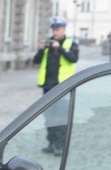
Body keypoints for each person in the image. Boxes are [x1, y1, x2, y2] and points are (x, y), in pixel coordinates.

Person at [33, 18, 79, 156]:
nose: (55, 32)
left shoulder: (71, 43)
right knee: (49, 116)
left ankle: (60, 145)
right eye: (54, 29)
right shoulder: (48, 43)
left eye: (58, 29)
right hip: (48, 87)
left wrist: (60, 48)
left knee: (62, 117)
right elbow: (36, 61)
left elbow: (73, 58)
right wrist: (41, 50)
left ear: (64, 30)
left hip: (63, 86)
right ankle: (51, 142)